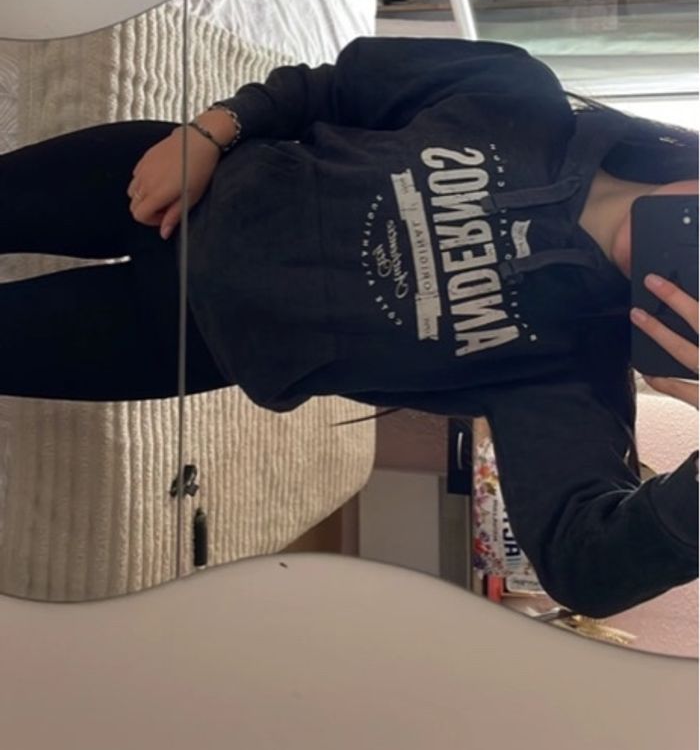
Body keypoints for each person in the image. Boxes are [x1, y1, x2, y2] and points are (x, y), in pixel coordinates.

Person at [1, 37, 697, 616]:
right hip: (170, 183)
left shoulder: (570, 373)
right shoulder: (519, 97)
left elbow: (586, 570)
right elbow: (331, 88)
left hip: (175, 341)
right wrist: (210, 131)